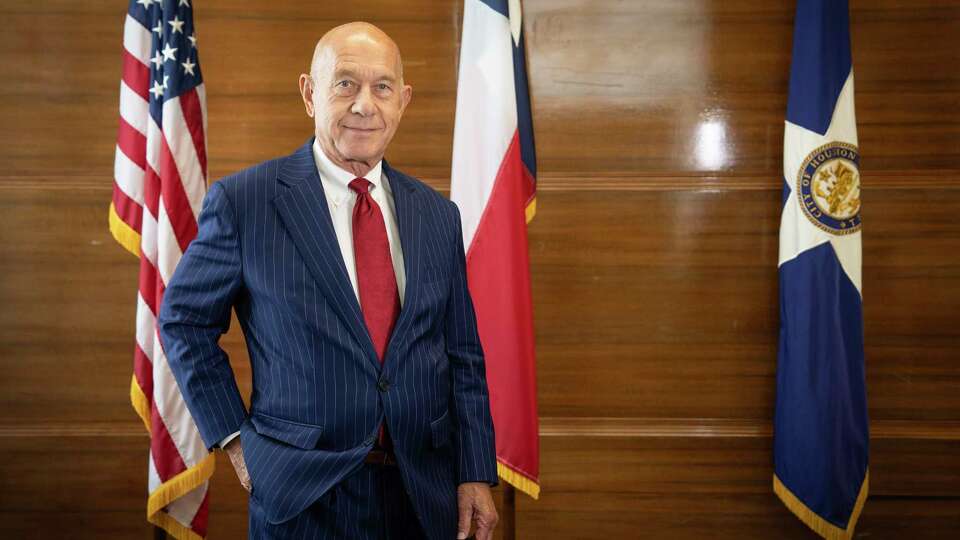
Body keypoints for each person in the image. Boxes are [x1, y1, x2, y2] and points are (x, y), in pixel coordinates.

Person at [159, 22, 499, 540]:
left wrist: (474, 471)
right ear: (309, 93)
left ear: (402, 101)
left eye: (382, 87)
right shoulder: (246, 202)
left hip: (422, 493)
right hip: (302, 494)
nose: (365, 104)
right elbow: (183, 322)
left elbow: (463, 352)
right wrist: (233, 439)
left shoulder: (437, 215)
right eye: (345, 83)